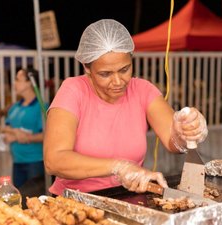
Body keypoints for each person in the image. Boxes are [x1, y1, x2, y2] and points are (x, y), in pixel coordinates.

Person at [44, 19, 208, 196]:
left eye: (124, 70)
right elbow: (54, 160)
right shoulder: (73, 90)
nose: (117, 81)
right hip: (75, 202)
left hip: (127, 197)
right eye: (105, 74)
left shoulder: (142, 90)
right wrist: (118, 167)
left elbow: (173, 143)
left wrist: (184, 131)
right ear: (87, 68)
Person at [0, 68, 47, 189]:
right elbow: (5, 127)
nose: (14, 83)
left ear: (29, 82)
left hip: (35, 161)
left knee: (34, 199)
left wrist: (27, 138)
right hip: (17, 161)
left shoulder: (41, 106)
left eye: (17, 79)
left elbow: (47, 135)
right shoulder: (15, 107)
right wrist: (16, 133)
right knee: (19, 199)